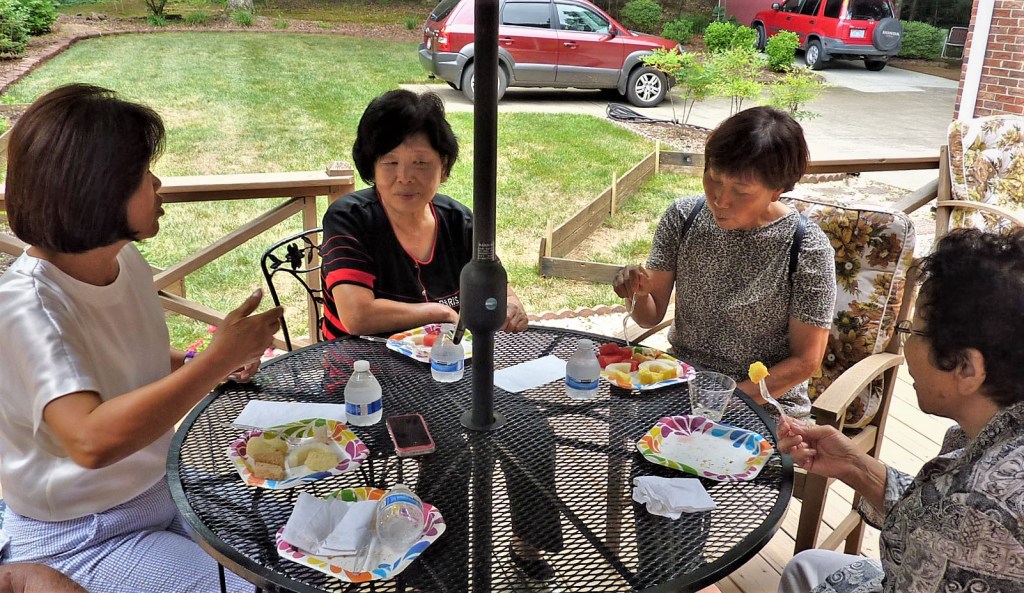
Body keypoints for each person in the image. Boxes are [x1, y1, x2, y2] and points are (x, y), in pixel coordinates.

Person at [0, 84, 282, 593]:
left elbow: (123, 363)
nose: (157, 183)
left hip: (161, 490)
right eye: (142, 174)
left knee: (296, 546)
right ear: (98, 191)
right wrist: (213, 362)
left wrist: (205, 361)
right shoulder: (25, 308)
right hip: (82, 534)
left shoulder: (121, 260)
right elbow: (89, 440)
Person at [777, 229, 1024, 593]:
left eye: (913, 332)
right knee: (806, 565)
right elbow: (936, 511)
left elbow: (953, 523)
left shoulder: (982, 509)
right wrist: (854, 465)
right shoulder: (995, 431)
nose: (906, 349)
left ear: (967, 368)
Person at [612, 106, 836, 418]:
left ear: (777, 191)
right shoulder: (683, 218)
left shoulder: (806, 247)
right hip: (682, 383)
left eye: (741, 191)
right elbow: (650, 316)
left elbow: (805, 361)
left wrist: (721, 401)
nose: (720, 199)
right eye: (714, 178)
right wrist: (635, 292)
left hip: (765, 402)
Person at [319, 89, 528, 339]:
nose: (404, 177)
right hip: (359, 362)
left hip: (445, 360)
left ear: (443, 168)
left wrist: (510, 306)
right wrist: (439, 313)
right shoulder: (349, 218)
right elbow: (358, 316)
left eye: (420, 163)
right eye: (390, 162)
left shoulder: (459, 222)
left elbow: (496, 290)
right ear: (372, 168)